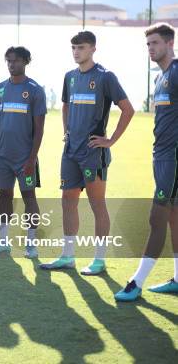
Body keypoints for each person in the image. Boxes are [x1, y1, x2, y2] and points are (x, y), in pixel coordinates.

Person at [40, 31, 134, 275]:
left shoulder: (105, 77)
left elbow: (128, 109)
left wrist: (110, 140)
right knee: (67, 202)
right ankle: (67, 256)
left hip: (94, 152)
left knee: (97, 204)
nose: (76, 52)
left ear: (93, 48)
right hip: (70, 150)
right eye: (73, 48)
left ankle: (99, 260)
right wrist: (66, 132)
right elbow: (65, 106)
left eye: (80, 47)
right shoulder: (69, 77)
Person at [115, 23, 178, 301]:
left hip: (174, 158)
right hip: (162, 156)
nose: (151, 48)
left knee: (157, 218)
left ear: (170, 43)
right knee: (175, 219)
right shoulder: (159, 78)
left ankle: (136, 282)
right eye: (148, 44)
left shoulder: (176, 73)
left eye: (155, 43)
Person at [0, 47, 46, 258]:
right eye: (9, 61)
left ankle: (31, 244)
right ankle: (3, 241)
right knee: (4, 196)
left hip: (25, 158)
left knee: (29, 196)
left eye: (17, 61)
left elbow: (39, 129)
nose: (12, 64)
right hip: (2, 155)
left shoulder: (35, 90)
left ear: (26, 62)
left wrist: (32, 158)